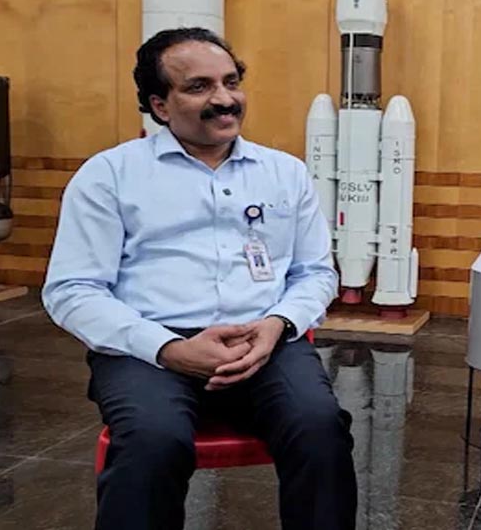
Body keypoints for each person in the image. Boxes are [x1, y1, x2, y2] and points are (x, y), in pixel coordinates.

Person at [43, 27, 356, 530]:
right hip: (147, 346)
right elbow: (72, 290)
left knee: (320, 428)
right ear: (159, 105)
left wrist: (277, 325)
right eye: (199, 87)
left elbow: (315, 273)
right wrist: (167, 348)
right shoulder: (109, 176)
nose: (225, 99)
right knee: (153, 440)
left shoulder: (285, 173)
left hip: (264, 340)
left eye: (231, 82)